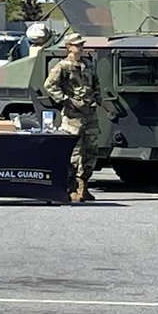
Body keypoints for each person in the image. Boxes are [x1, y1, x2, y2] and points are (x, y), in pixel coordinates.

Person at [44, 32, 100, 202]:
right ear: (69, 47)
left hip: (89, 114)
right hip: (72, 116)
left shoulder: (87, 64)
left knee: (91, 150)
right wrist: (67, 101)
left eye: (82, 45)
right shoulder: (63, 66)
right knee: (75, 152)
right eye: (77, 45)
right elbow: (49, 86)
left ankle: (84, 186)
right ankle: (72, 187)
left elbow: (95, 83)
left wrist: (97, 98)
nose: (81, 48)